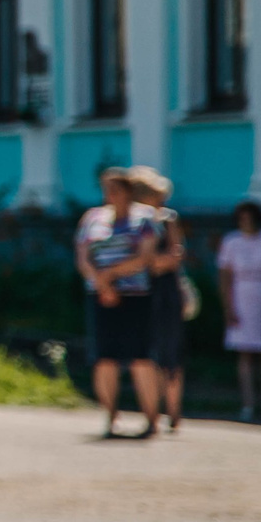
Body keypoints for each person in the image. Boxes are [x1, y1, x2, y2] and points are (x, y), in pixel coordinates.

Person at [76, 168, 161, 439]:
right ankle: (111, 418)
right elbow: (83, 257)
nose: (110, 194)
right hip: (101, 296)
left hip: (135, 296)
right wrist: (102, 284)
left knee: (140, 357)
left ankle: (151, 418)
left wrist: (111, 276)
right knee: (105, 358)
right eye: (106, 188)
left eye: (116, 189)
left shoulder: (144, 218)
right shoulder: (93, 218)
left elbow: (145, 257)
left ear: (128, 191)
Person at [129, 168, 189, 433]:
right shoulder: (131, 221)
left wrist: (147, 263)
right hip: (139, 291)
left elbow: (175, 256)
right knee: (146, 352)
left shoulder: (167, 219)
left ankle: (173, 412)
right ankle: (152, 412)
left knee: (170, 351)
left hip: (165, 291)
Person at [216, 201, 261, 421]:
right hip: (242, 297)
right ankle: (248, 404)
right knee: (245, 354)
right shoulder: (231, 242)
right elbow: (225, 277)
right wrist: (228, 307)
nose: (246, 222)